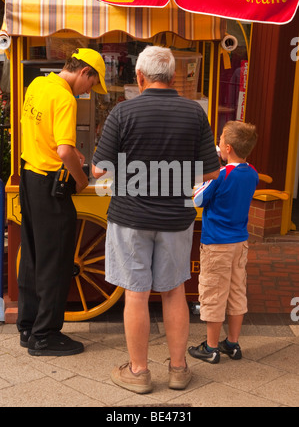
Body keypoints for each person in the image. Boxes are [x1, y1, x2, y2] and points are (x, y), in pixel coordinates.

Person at [92, 45, 220, 393]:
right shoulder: (195, 114)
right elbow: (211, 173)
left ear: (140, 77)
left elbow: (100, 170)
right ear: (174, 77)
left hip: (130, 217)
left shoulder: (123, 112)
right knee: (173, 290)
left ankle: (138, 372)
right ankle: (178, 370)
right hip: (177, 219)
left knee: (135, 293)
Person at [17, 48, 107, 356]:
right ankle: (45, 336)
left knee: (32, 256)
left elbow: (45, 135)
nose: (89, 91)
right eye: (92, 84)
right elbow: (65, 152)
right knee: (56, 262)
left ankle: (28, 327)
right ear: (84, 73)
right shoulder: (66, 98)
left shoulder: (39, 85)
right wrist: (81, 181)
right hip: (51, 186)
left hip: (28, 176)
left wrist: (68, 153)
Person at [188, 121, 258, 364]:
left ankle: (211, 348)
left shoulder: (220, 175)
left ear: (227, 148)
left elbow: (197, 199)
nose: (216, 143)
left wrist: (211, 171)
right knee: (237, 292)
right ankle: (233, 343)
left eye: (219, 141)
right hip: (240, 242)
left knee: (214, 294)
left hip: (217, 243)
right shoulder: (252, 173)